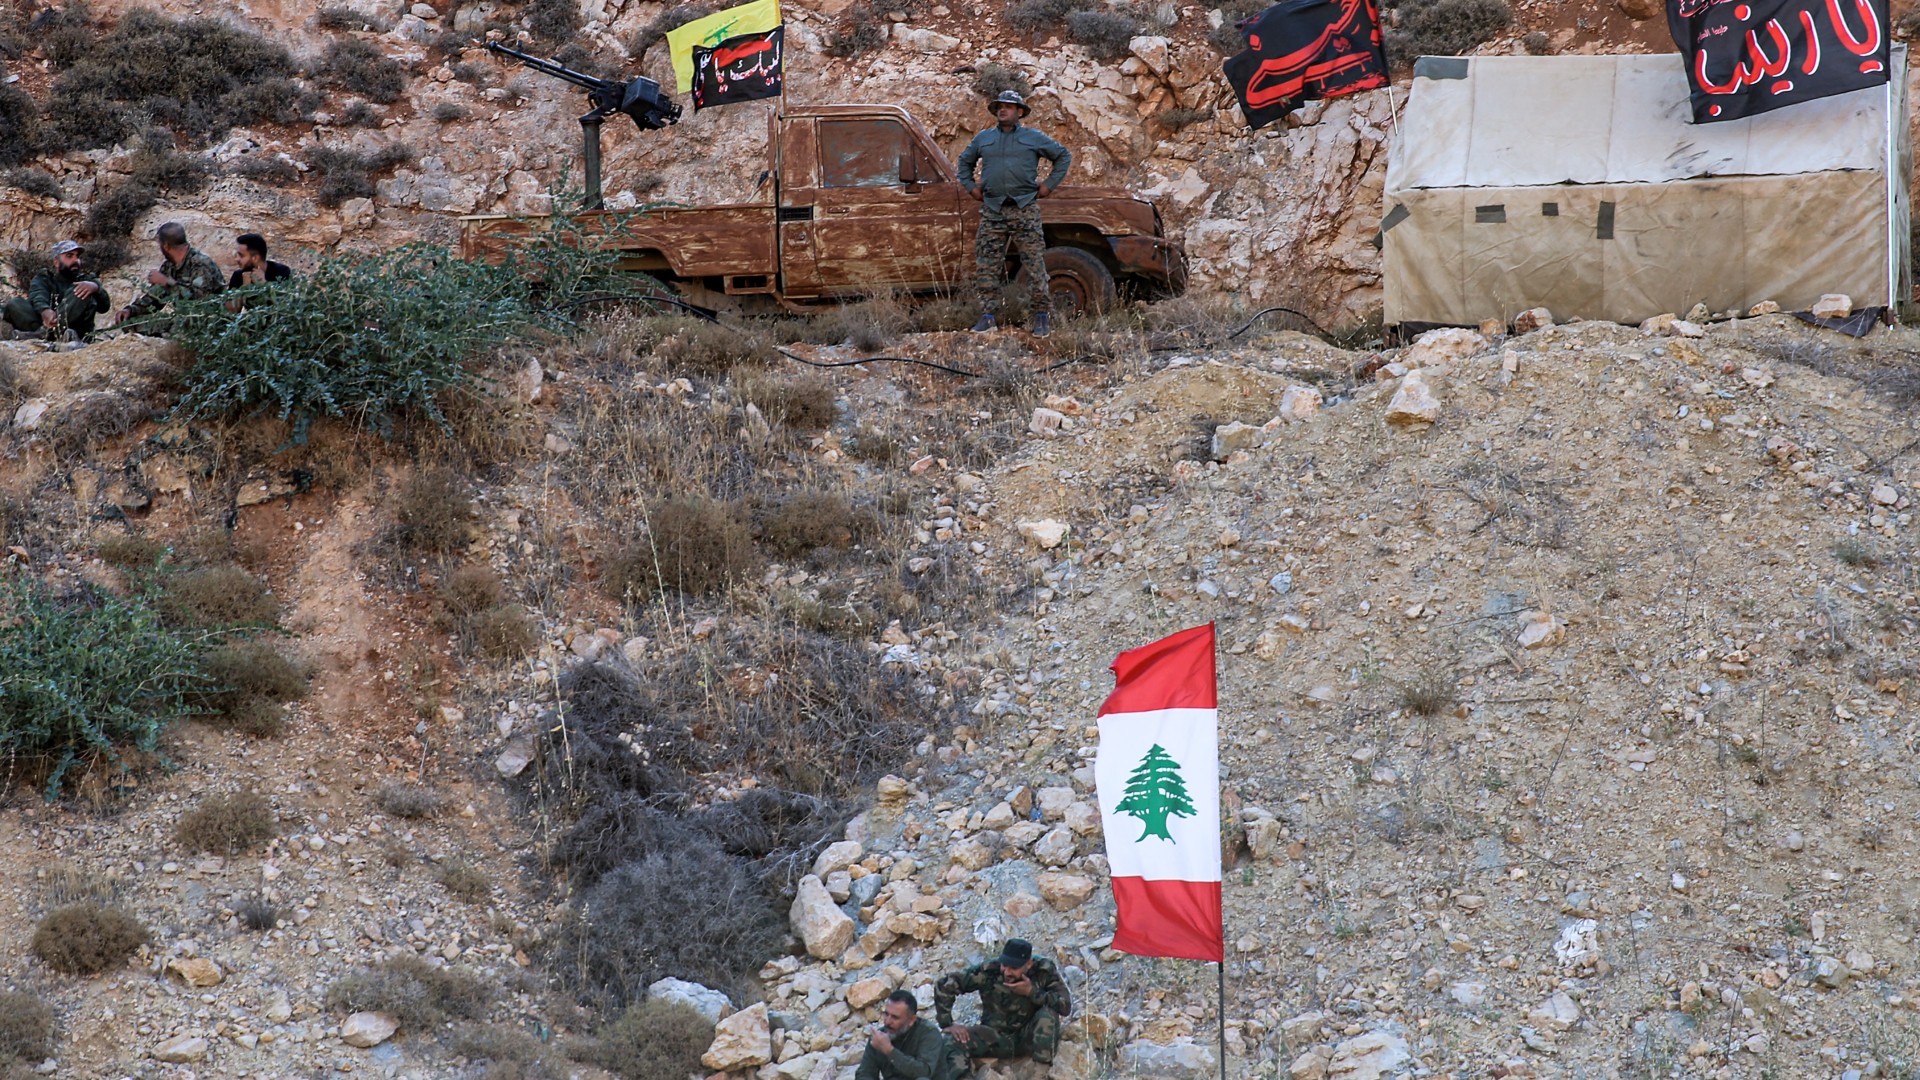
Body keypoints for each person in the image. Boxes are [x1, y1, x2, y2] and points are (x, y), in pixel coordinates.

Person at [956, 90, 1072, 339]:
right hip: (993, 210)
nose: (1003, 110)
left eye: (1009, 106)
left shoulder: (1033, 137)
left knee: (1034, 264)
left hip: (1025, 208)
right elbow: (964, 164)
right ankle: (988, 317)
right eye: (1000, 106)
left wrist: (1049, 185)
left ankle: (1041, 316)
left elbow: (1063, 156)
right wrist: (971, 187)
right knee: (987, 266)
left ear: (1019, 112)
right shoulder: (983, 139)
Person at [934, 938, 1072, 1068]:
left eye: (1014, 968)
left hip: (1029, 1037)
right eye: (1004, 965)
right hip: (995, 1037)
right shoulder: (990, 970)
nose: (1006, 972)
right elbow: (946, 984)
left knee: (1048, 1015)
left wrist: (1032, 992)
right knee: (950, 1041)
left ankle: (1041, 1071)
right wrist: (947, 1023)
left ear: (1028, 964)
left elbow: (1065, 1006)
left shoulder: (1043, 970)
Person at [114, 221, 225, 327]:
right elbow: (155, 297)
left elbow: (199, 301)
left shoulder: (201, 264)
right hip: (184, 319)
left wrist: (166, 282)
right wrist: (131, 310)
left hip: (208, 320)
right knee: (131, 324)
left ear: (166, 246)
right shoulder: (169, 266)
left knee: (175, 326)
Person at [3, 240, 111, 341]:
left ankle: (44, 334)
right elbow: (37, 295)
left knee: (81, 289)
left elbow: (104, 307)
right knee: (15, 304)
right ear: (56, 262)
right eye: (69, 256)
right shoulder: (45, 278)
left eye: (77, 256)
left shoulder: (86, 280)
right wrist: (45, 311)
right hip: (46, 323)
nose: (75, 260)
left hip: (74, 332)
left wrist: (95, 288)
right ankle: (45, 333)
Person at [855, 989, 970, 1080]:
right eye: (886, 1014)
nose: (887, 1021)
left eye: (895, 1017)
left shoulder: (928, 1033)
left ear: (911, 1020)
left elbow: (924, 1072)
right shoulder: (880, 1037)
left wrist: (890, 1051)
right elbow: (864, 1073)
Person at [225, 232, 292, 312]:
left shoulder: (281, 271)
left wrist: (264, 285)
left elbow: (286, 305)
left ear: (255, 258)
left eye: (241, 256)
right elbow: (230, 310)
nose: (237, 259)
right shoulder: (238, 275)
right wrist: (245, 288)